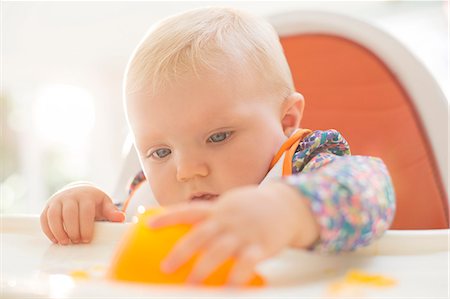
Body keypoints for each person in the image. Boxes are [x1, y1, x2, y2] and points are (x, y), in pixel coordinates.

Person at [40, 7, 395, 286]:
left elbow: (374, 191)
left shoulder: (305, 164)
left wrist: (290, 210)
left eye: (218, 137)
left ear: (287, 120)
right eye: (161, 152)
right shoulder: (148, 196)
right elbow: (113, 240)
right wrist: (86, 209)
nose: (187, 170)